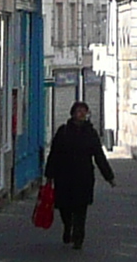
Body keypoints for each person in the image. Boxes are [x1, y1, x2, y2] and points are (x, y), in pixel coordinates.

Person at [44, 102, 115, 249]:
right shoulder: (63, 131)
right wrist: (49, 175)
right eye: (79, 111)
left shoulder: (91, 133)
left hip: (84, 177)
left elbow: (99, 156)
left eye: (84, 111)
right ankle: (67, 226)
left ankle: (78, 237)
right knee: (64, 207)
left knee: (81, 208)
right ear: (73, 113)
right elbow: (54, 154)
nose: (82, 114)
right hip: (64, 176)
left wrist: (109, 177)